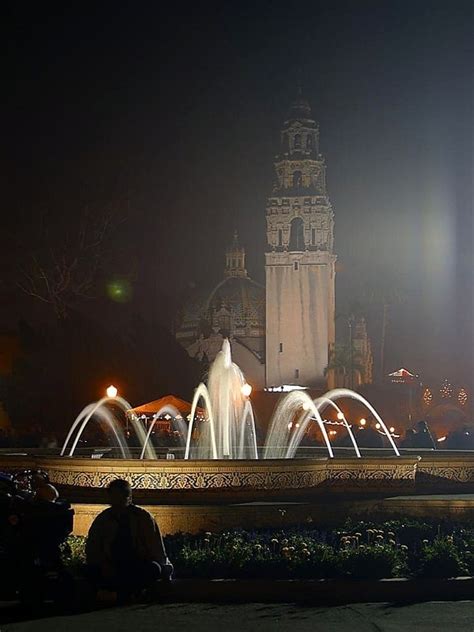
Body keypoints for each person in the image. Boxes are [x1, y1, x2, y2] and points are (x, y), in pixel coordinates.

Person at [86, 479, 172, 603]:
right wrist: (102, 563)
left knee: (153, 569)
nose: (117, 501)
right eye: (114, 496)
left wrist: (165, 569)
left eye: (121, 496)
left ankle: (117, 594)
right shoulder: (103, 519)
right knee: (90, 570)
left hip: (135, 563)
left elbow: (155, 546)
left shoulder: (142, 517)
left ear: (128, 497)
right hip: (111, 564)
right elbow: (92, 547)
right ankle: (128, 594)